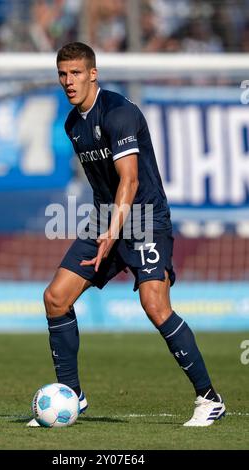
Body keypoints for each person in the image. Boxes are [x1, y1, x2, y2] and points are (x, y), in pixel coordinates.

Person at [28, 42, 225, 427]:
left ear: (93, 73)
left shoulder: (119, 113)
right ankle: (72, 395)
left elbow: (130, 180)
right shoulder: (72, 124)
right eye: (62, 74)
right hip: (108, 219)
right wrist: (105, 230)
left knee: (154, 304)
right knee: (55, 298)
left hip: (146, 218)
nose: (68, 81)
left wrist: (112, 234)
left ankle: (209, 398)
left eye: (76, 73)